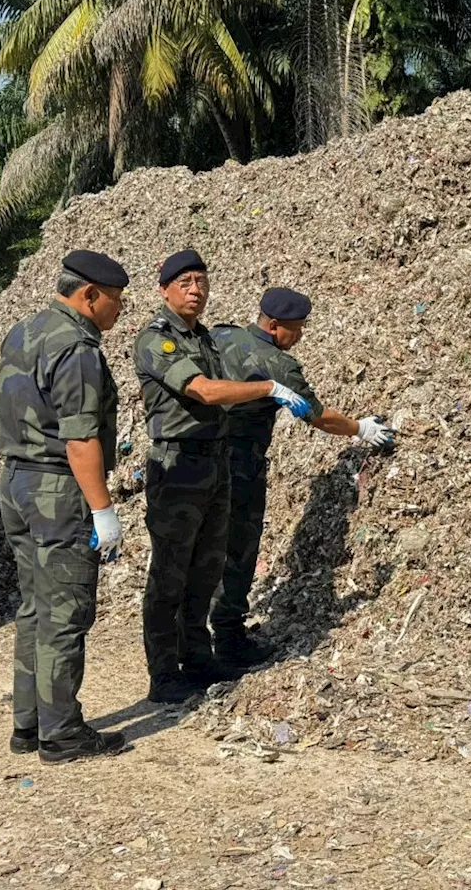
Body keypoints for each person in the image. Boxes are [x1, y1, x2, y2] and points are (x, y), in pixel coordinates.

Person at [134, 251, 312, 705]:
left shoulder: (209, 340)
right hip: (178, 467)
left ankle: (197, 658)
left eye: (201, 281)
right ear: (165, 290)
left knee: (205, 568)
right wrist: (269, 387)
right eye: (185, 282)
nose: (196, 290)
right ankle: (163, 671)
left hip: (215, 464)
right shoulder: (158, 340)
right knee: (170, 574)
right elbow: (205, 391)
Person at [208, 288, 394, 666]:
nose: (301, 336)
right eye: (296, 329)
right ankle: (229, 641)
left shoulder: (221, 335)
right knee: (239, 549)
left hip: (201, 457)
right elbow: (317, 415)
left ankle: (193, 636)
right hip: (240, 465)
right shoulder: (277, 364)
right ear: (274, 326)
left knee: (204, 547)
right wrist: (360, 428)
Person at [0, 250, 131, 763]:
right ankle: (61, 733)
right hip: (57, 489)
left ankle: (28, 725)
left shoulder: (23, 331)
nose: (119, 311)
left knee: (33, 606)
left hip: (16, 482)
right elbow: (79, 439)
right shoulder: (78, 349)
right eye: (115, 301)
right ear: (88, 295)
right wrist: (102, 510)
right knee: (65, 611)